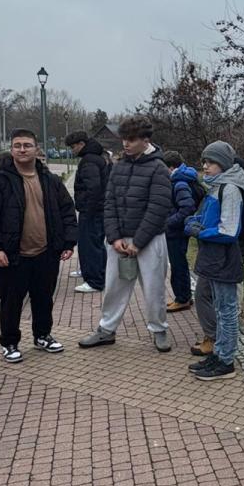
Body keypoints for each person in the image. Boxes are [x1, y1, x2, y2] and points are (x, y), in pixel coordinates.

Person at [0, 129, 78, 363]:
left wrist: (68, 241)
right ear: (11, 149)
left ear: (36, 149)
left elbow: (66, 211)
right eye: (17, 145)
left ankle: (42, 335)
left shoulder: (50, 180)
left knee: (44, 298)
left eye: (27, 145)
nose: (22, 149)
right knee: (11, 302)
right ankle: (9, 342)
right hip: (13, 255)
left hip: (46, 253)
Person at [78, 116, 173, 353]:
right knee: (113, 287)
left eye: (131, 139)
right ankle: (106, 329)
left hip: (150, 240)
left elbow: (158, 208)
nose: (126, 144)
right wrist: (114, 237)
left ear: (145, 140)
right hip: (120, 239)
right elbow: (109, 202)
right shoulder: (119, 166)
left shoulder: (159, 168)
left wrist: (138, 242)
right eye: (124, 139)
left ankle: (159, 329)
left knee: (153, 289)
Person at [184, 141, 244, 381]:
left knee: (226, 310)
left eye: (210, 162)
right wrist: (193, 222)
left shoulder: (229, 188)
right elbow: (204, 216)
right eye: (204, 161)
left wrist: (200, 232)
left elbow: (229, 230)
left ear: (223, 164)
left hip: (224, 259)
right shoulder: (216, 186)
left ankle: (226, 360)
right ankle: (219, 352)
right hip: (212, 257)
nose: (205, 166)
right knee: (220, 308)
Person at [66, 131, 109, 293]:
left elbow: (94, 188)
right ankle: (95, 273)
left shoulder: (89, 161)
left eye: (73, 147)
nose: (72, 150)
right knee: (96, 244)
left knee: (89, 245)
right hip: (97, 209)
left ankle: (94, 281)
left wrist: (88, 209)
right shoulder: (97, 158)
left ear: (82, 144)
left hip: (92, 211)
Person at [164, 150, 201, 313]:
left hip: (176, 231)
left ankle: (182, 298)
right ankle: (184, 296)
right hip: (178, 230)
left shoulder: (179, 183)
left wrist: (169, 223)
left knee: (178, 264)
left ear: (171, 167)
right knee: (179, 263)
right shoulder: (184, 178)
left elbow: (187, 207)